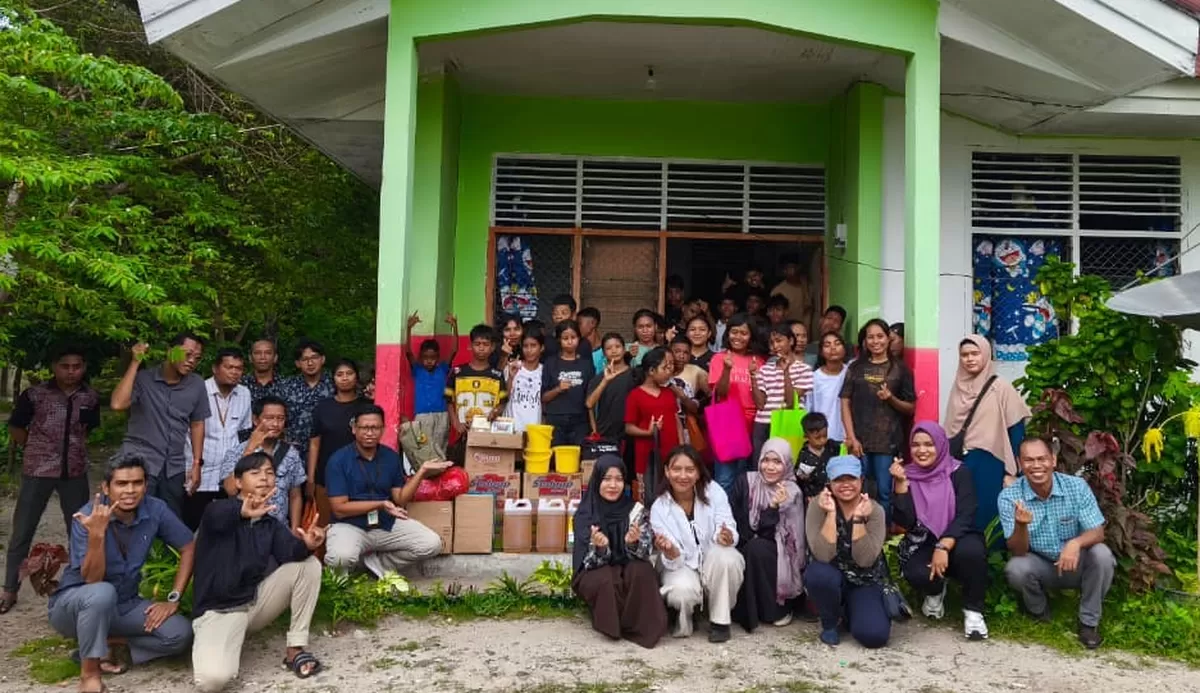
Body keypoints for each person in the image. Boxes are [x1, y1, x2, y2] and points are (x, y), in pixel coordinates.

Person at [49, 457, 194, 692]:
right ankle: (90, 676)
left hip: (125, 603)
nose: (130, 490)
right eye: (121, 483)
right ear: (106, 488)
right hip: (75, 607)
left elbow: (188, 546)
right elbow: (92, 580)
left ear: (145, 485)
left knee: (180, 633)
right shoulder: (86, 516)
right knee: (102, 592)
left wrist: (173, 598)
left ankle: (109, 644)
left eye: (137, 483)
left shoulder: (155, 509)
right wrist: (97, 535)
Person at [191, 452, 327, 690]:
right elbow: (220, 517)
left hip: (254, 603)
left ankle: (295, 650)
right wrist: (242, 513)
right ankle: (219, 644)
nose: (264, 478)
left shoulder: (270, 523)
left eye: (270, 473)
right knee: (212, 681)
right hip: (220, 611)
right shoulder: (217, 510)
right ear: (238, 482)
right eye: (255, 473)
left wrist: (308, 544)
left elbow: (290, 554)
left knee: (309, 566)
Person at [2, 346, 100, 614]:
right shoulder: (35, 395)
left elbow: (88, 429)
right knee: (23, 530)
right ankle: (9, 589)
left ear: (83, 367)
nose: (71, 372)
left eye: (76, 366)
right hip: (38, 470)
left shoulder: (90, 397)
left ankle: (78, 587)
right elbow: (16, 427)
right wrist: (35, 447)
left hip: (74, 471)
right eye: (65, 366)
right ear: (54, 367)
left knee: (79, 530)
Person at [999, 438, 1115, 649]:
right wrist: (1021, 525)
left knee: (1102, 555)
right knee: (1016, 568)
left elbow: (1098, 532)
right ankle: (1039, 612)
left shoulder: (1076, 487)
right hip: (1041, 564)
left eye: (1042, 459)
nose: (1036, 465)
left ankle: (1088, 623)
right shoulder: (1009, 497)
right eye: (1029, 460)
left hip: (1075, 562)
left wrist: (1075, 543)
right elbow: (1018, 550)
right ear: (1019, 463)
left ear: (1053, 460)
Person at [323, 405, 449, 575]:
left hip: (384, 523)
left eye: (375, 428)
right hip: (350, 525)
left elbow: (401, 499)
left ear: (383, 429)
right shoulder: (338, 460)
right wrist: (381, 504)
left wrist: (422, 471)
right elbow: (339, 509)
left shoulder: (390, 457)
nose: (370, 433)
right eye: (364, 428)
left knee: (431, 544)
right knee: (341, 558)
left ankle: (378, 566)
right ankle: (340, 582)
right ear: (354, 429)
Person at [891, 421, 989, 640]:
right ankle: (935, 590)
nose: (922, 450)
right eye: (916, 445)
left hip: (960, 536)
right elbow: (906, 522)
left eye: (929, 444)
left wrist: (943, 545)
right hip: (924, 539)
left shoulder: (958, 472)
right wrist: (900, 486)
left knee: (972, 553)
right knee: (915, 571)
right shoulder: (907, 474)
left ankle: (973, 611)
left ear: (941, 445)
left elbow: (966, 513)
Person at [651, 446, 745, 643]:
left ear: (699, 472)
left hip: (712, 558)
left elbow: (727, 524)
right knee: (681, 592)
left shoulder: (714, 491)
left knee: (728, 557)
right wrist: (670, 551)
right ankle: (685, 617)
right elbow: (674, 559)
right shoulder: (659, 507)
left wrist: (726, 536)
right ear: (667, 471)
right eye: (677, 469)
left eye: (690, 469)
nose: (683, 476)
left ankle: (720, 620)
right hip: (682, 564)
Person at [572, 455, 668, 649]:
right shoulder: (586, 514)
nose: (613, 485)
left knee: (642, 571)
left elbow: (645, 552)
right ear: (597, 480)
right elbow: (586, 562)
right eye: (607, 479)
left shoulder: (636, 511)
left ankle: (642, 627)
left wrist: (633, 544)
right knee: (607, 578)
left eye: (618, 479)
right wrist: (600, 548)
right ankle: (612, 625)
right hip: (595, 568)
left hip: (627, 562)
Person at [111, 335, 209, 519]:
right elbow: (118, 404)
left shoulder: (197, 384)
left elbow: (197, 423)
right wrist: (135, 362)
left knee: (169, 520)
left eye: (197, 358)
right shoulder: (144, 378)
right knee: (134, 519)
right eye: (187, 354)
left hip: (174, 466)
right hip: (140, 460)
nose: (191, 361)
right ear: (170, 351)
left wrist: (197, 464)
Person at [945, 335, 1031, 532]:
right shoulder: (958, 387)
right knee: (963, 510)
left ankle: (992, 550)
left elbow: (1016, 430)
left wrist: (1013, 471)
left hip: (990, 461)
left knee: (989, 512)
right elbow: (950, 429)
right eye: (964, 355)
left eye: (975, 353)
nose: (970, 359)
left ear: (985, 354)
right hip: (960, 462)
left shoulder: (1000, 387)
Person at [804, 455, 890, 648]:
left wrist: (859, 520)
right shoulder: (818, 506)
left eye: (851, 478)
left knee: (874, 636)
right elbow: (823, 555)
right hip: (832, 576)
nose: (845, 485)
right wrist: (830, 515)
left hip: (865, 579)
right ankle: (830, 623)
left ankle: (850, 611)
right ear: (829, 483)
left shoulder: (875, 510)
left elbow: (865, 560)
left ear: (861, 480)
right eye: (838, 480)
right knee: (818, 573)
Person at [840, 319, 915, 519]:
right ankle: (859, 530)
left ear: (888, 339)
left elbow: (910, 408)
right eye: (870, 337)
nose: (875, 341)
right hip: (860, 441)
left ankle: (883, 533)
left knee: (884, 492)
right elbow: (845, 402)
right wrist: (851, 437)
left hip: (887, 443)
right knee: (859, 490)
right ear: (865, 341)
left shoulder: (900, 369)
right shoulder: (855, 368)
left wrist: (891, 398)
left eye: (880, 336)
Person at [730, 438, 806, 632]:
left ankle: (776, 610)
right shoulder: (745, 481)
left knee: (757, 549)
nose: (770, 467)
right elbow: (733, 516)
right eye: (766, 460)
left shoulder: (791, 492)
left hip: (779, 552)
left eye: (777, 462)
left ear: (787, 464)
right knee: (748, 549)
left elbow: (783, 539)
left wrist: (774, 506)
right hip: (743, 541)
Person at [183, 347, 252, 530]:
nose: (234, 372)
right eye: (229, 367)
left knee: (227, 528)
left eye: (239, 368)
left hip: (230, 475)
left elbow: (243, 432)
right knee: (195, 526)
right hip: (200, 473)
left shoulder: (244, 393)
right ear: (215, 368)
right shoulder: (198, 390)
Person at [220, 396, 306, 529]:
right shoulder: (236, 452)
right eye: (269, 418)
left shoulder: (291, 453)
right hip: (244, 529)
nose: (275, 424)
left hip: (279, 529)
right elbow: (230, 490)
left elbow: (295, 495)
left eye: (280, 418)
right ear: (255, 420)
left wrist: (294, 530)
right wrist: (250, 449)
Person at [708, 313, 766, 494]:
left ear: (751, 336)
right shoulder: (719, 358)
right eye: (734, 332)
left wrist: (754, 376)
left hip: (753, 426)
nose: (738, 337)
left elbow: (762, 401)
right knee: (725, 479)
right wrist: (727, 369)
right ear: (727, 333)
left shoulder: (759, 361)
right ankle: (722, 513)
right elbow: (720, 394)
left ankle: (742, 513)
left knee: (748, 480)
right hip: (728, 424)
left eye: (744, 333)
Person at [307, 360, 368, 526]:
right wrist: (311, 478)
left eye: (349, 373)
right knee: (325, 524)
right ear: (333, 378)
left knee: (358, 524)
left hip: (360, 473)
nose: (345, 378)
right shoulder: (323, 407)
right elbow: (314, 443)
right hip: (326, 475)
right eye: (340, 374)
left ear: (356, 377)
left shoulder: (366, 406)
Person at [752, 324, 813, 462]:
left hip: (788, 422)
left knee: (788, 464)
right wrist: (753, 377)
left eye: (779, 341)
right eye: (771, 343)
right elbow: (760, 404)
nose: (775, 346)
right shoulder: (765, 369)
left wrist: (786, 373)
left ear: (791, 341)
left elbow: (790, 403)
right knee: (760, 464)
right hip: (763, 423)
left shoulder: (804, 369)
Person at [405, 313, 459, 457]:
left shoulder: (442, 369)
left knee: (440, 448)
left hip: (442, 414)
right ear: (421, 357)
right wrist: (408, 328)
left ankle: (440, 469)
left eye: (433, 358)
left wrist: (455, 327)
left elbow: (454, 351)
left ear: (438, 358)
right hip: (422, 415)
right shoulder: (418, 370)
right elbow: (408, 352)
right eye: (425, 358)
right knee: (423, 447)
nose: (429, 361)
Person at [624, 348, 681, 476]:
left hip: (672, 451)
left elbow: (676, 421)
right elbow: (628, 427)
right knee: (648, 484)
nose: (670, 371)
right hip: (647, 452)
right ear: (651, 371)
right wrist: (648, 433)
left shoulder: (669, 393)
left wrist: (682, 447)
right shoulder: (635, 395)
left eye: (671, 366)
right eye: (665, 368)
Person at [541, 319, 595, 446]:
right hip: (555, 419)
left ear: (579, 339)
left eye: (573, 337)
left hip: (580, 420)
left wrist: (593, 426)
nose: (570, 341)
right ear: (559, 340)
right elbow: (543, 397)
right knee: (556, 455)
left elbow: (591, 397)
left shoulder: (587, 364)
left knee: (578, 454)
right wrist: (558, 389)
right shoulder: (550, 363)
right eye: (565, 338)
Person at [447, 325, 506, 435]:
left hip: (488, 432)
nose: (481, 348)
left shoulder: (497, 375)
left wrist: (495, 412)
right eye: (477, 344)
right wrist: (455, 422)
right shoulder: (458, 373)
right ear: (470, 346)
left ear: (492, 347)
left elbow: (502, 402)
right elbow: (448, 400)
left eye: (486, 344)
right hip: (463, 432)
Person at [277, 340, 334, 455]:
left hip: (327, 449)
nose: (310, 363)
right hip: (293, 450)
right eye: (304, 359)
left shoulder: (334, 384)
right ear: (297, 363)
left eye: (314, 357)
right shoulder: (286, 386)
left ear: (323, 359)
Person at [586, 333, 634, 444]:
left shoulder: (635, 375)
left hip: (630, 431)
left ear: (624, 349)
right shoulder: (599, 378)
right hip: (606, 432)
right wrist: (605, 380)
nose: (614, 351)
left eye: (617, 346)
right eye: (609, 348)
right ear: (603, 353)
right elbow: (589, 404)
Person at [805, 331, 848, 443]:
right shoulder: (814, 377)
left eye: (837, 343)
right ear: (821, 352)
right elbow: (809, 408)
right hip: (821, 438)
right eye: (827, 345)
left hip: (847, 436)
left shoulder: (851, 373)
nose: (833, 348)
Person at [504, 327, 544, 433]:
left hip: (535, 429)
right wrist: (511, 377)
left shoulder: (545, 371)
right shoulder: (513, 367)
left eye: (533, 345)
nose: (529, 350)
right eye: (525, 346)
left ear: (541, 348)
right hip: (511, 428)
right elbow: (505, 397)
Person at [771, 254, 815, 333]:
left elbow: (810, 308)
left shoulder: (807, 286)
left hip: (805, 330)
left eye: (791, 267)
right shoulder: (778, 291)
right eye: (785, 268)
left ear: (798, 267)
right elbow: (775, 318)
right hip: (787, 331)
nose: (789, 271)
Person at [797, 412, 837, 498]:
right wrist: (808, 495)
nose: (822, 440)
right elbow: (802, 480)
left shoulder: (831, 446)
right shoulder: (804, 456)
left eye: (825, 436)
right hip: (815, 495)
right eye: (817, 438)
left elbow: (843, 446)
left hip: (833, 492)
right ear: (806, 436)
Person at [545, 294, 592, 360]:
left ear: (573, 315)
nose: (558, 317)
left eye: (564, 313)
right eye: (555, 313)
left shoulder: (583, 344)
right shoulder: (547, 342)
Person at [242, 339, 281, 405]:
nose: (262, 357)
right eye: (257, 353)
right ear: (250, 358)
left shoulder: (286, 385)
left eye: (268, 353)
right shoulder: (240, 385)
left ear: (275, 358)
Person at [577, 307, 606, 373]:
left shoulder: (607, 351)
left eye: (579, 323)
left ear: (593, 323)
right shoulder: (576, 351)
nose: (576, 327)